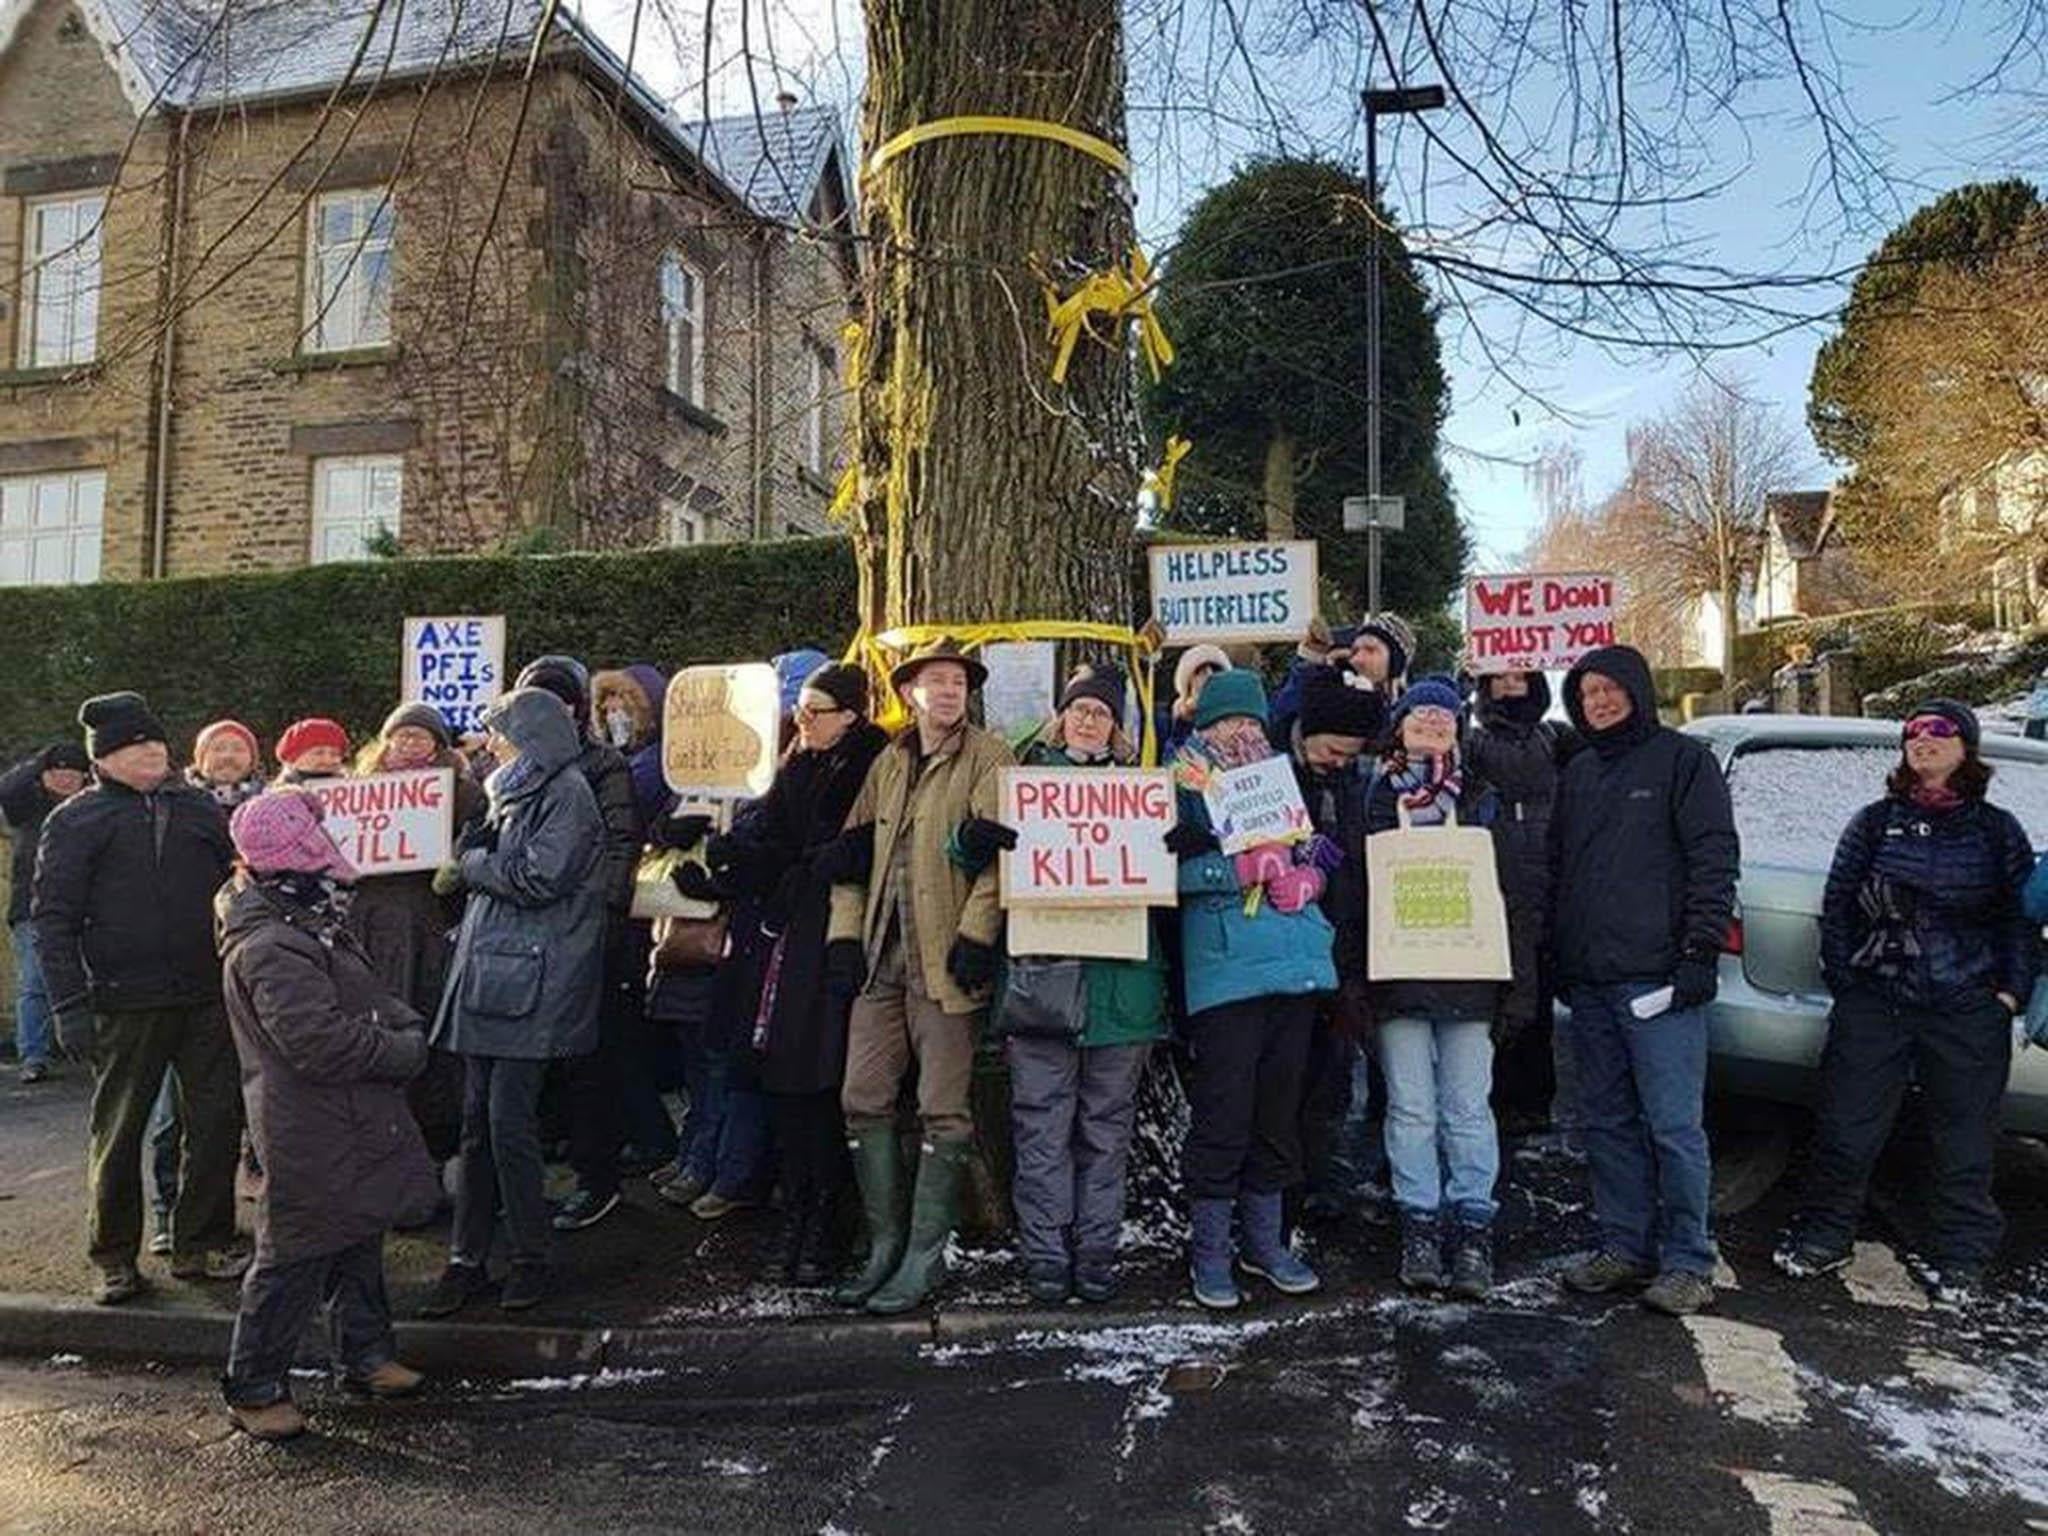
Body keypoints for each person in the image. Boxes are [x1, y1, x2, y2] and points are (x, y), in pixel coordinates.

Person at [1774, 701, 2037, 1303]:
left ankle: (1961, 1256)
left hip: (1968, 1005)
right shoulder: (1873, 822)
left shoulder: (1998, 830)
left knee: (1964, 1139)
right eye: (1913, 733)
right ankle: (1825, 1234)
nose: (1924, 741)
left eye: (1940, 731)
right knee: (1846, 1127)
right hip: (1878, 1000)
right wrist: (1848, 978)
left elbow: (2018, 920)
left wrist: (2009, 994)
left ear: (1966, 747)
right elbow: (1837, 904)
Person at [216, 789, 436, 1441]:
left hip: (344, 1114)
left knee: (358, 1233)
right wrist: (400, 1049)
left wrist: (397, 1024)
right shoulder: (272, 942)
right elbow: (316, 1042)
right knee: (296, 1253)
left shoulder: (305, 919)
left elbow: (360, 995)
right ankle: (254, 1385)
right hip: (310, 1122)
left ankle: (364, 1356)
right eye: (316, 836)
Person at [33, 692, 243, 1303]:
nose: (151, 751)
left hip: (206, 994)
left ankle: (199, 1244)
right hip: (123, 1001)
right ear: (105, 759)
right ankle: (114, 1256)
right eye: (133, 745)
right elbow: (53, 919)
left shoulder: (201, 808)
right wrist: (69, 1005)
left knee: (214, 1124)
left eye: (155, 742)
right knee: (118, 1133)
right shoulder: (75, 819)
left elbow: (238, 881)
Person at [680, 663, 887, 1282]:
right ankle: (796, 1213)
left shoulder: (870, 767)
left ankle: (828, 1219)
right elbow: (770, 841)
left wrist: (823, 862)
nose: (804, 721)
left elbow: (867, 845)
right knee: (782, 1082)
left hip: (832, 941)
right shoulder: (799, 768)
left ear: (850, 714)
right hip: (782, 941)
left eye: (817, 710)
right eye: (802, 710)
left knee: (819, 1083)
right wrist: (726, 863)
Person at [969, 665, 1170, 1305]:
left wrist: (1176, 848)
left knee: (1106, 1132)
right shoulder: (1023, 784)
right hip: (1043, 987)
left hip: (1121, 994)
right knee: (1041, 1129)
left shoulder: (1141, 794)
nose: (1089, 720)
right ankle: (1047, 1255)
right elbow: (965, 855)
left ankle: (1097, 1252)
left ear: (1117, 728)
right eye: (1080, 709)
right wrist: (973, 840)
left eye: (1102, 713)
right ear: (1061, 715)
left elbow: (1168, 886)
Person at [826, 638, 1012, 1315]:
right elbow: (852, 856)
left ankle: (924, 1256)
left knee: (943, 1105)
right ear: (909, 692)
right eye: (934, 680)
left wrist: (976, 935)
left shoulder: (989, 756)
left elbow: (1000, 857)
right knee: (863, 1094)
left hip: (945, 961)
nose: (947, 690)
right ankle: (884, 1245)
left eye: (957, 681)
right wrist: (844, 935)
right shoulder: (889, 760)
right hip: (882, 954)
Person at [1551, 645, 1738, 1318]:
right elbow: (1561, 869)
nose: (1598, 701)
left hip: (1659, 981)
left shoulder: (1683, 762)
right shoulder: (1577, 773)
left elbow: (1714, 859)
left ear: (1636, 691)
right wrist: (1559, 958)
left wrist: (1699, 953)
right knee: (1606, 1123)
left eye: (1609, 689)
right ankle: (1624, 1246)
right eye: (1587, 692)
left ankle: (1689, 1259)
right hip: (1592, 984)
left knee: (1673, 1126)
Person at [420, 688, 606, 1317]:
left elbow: (538, 878)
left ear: (528, 735)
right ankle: (466, 1257)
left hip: (532, 980)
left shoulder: (566, 794)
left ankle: (529, 1255)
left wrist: (471, 862)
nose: (490, 742)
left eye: (500, 731)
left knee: (508, 1125)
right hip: (496, 977)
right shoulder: (515, 789)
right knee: (480, 1127)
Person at [1168, 669, 1338, 1309]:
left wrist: (1313, 878)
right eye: (1226, 721)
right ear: (1204, 723)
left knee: (1277, 1112)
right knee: (1225, 1113)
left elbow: (1320, 845)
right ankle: (1210, 1251)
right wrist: (1227, 869)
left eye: (1249, 721)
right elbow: (1159, 867)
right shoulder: (1180, 781)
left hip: (1293, 964)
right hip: (1226, 969)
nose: (1239, 732)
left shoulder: (1280, 776)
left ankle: (1265, 1244)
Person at [1363, 675, 1534, 1298]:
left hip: (1471, 980)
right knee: (1410, 1109)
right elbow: (1360, 897)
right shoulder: (1376, 798)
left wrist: (1519, 984)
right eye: (1419, 717)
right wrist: (1358, 983)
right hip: (1399, 980)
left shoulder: (1483, 798)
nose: (1432, 725)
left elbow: (1511, 894)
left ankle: (1472, 1227)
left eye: (1443, 717)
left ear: (1457, 729)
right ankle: (1420, 1225)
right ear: (1400, 727)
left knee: (1467, 1109)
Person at [512, 655, 666, 1232]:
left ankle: (594, 1179)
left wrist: (595, 925)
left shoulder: (602, 766)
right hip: (527, 939)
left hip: (582, 936)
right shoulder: (515, 769)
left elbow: (619, 847)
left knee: (591, 1064)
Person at [348, 703, 485, 1167]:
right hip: (366, 920)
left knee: (422, 1019)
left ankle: (430, 1135)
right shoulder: (357, 790)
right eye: (400, 736)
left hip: (425, 921)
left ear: (438, 747)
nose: (408, 745)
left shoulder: (462, 793)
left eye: (419, 737)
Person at [1464, 668, 1577, 1129]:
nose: (1511, 684)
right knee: (1496, 1001)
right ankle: (1493, 1100)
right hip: (1489, 885)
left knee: (1538, 1000)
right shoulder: (1473, 743)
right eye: (1500, 676)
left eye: (1521, 675)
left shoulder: (1558, 738)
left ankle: (1532, 1103)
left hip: (1547, 886)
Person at [1288, 667, 1380, 1222]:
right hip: (1292, 946)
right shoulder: (1278, 773)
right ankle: (1291, 1183)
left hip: (1341, 946)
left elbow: (1351, 863)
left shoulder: (1348, 784)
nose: (1340, 761)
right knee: (1290, 1078)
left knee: (1332, 1079)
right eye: (1334, 750)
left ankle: (1321, 1178)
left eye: (1350, 754)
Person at [0, 743, 89, 1083]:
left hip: (87, 908)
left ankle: (86, 1050)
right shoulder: (28, 806)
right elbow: (6, 788)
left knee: (92, 978)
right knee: (34, 983)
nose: (65, 778)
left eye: (72, 772)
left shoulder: (94, 807)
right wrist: (39, 760)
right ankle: (33, 1055)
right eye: (57, 771)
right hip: (31, 907)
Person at [1268, 612, 1409, 746]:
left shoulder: (1411, 712)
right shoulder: (1331, 696)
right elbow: (1280, 727)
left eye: (1371, 650)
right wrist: (1312, 664)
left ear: (1394, 664)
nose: (1357, 659)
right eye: (1354, 651)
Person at [591, 664, 672, 827]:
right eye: (605, 709)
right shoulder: (614, 757)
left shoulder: (650, 764)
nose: (608, 707)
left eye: (616, 695)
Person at [1162, 644, 1231, 756]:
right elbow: (1173, 761)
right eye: (1200, 671)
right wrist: (1185, 722)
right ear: (1190, 682)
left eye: (1215, 669)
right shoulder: (1179, 717)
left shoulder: (1237, 712)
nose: (1209, 675)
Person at [186, 720, 268, 810]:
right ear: (200, 758)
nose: (228, 756)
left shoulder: (270, 803)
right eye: (218, 749)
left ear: (252, 760)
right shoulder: (178, 802)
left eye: (238, 749)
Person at [274, 718, 350, 784]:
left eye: (335, 754)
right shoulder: (280, 796)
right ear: (294, 759)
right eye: (318, 753)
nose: (328, 759)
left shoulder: (352, 790)